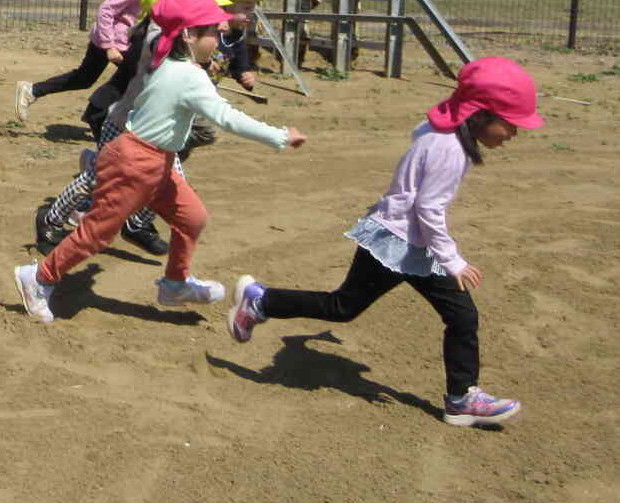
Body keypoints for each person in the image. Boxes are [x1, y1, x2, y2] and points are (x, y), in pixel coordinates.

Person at [228, 57, 539, 428]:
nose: (514, 133)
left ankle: (461, 398)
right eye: (510, 124)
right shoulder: (450, 150)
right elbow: (428, 209)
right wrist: (453, 260)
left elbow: (419, 138)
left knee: (458, 315)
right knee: (342, 307)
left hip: (413, 243)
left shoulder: (443, 130)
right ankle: (261, 300)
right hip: (397, 241)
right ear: (480, 114)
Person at [14, 0, 306, 324]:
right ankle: (38, 277)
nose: (221, 32)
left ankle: (175, 284)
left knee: (191, 218)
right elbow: (227, 118)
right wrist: (280, 136)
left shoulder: (169, 60)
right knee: (98, 232)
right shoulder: (188, 76)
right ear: (188, 36)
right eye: (212, 29)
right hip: (135, 163)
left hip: (157, 161)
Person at [36, 0, 231, 255]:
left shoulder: (183, 40)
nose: (219, 24)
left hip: (158, 131)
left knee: (174, 184)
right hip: (125, 125)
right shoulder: (156, 38)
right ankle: (51, 219)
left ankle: (136, 223)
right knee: (96, 178)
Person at [15, 0, 174, 123]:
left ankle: (34, 91)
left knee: (86, 78)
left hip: (115, 39)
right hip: (111, 42)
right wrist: (109, 46)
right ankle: (103, 116)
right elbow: (106, 10)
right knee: (133, 77)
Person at [214, 0, 262, 92]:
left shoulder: (237, 35)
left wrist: (245, 76)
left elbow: (239, 64)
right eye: (246, 8)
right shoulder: (207, 32)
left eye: (252, 8)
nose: (250, 13)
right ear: (223, 6)